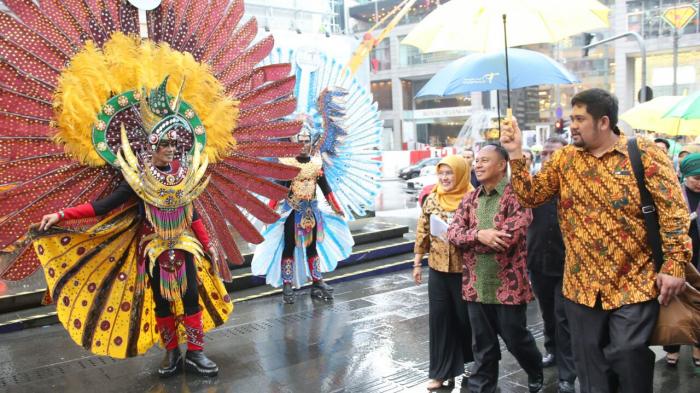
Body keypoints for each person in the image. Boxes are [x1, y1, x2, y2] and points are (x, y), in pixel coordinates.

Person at [35, 79, 232, 377]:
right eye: (165, 144)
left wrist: (209, 244)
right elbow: (103, 206)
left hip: (184, 246)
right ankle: (171, 354)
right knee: (163, 303)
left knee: (191, 296)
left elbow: (192, 215)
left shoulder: (184, 173)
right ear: (152, 144)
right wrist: (61, 214)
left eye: (174, 144)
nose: (170, 149)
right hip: (152, 250)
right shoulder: (137, 177)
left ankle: (195, 353)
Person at [500, 88, 690, 393]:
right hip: (581, 287)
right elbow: (530, 196)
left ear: (603, 122)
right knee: (590, 373)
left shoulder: (645, 154)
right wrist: (514, 153)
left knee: (628, 356)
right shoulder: (564, 159)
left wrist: (674, 265)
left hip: (635, 282)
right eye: (571, 118)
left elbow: (674, 213)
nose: (571, 125)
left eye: (579, 118)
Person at [447, 144, 543, 393]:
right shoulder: (470, 198)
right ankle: (483, 387)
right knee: (483, 345)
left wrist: (473, 240)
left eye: (484, 160)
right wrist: (480, 235)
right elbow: (453, 233)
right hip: (475, 285)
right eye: (476, 161)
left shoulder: (517, 196)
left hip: (509, 285)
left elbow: (507, 239)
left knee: (516, 339)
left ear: (502, 164)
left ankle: (535, 369)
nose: (477, 165)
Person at [251, 126, 353, 304]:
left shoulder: (316, 164)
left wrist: (338, 209)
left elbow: (326, 189)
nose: (304, 144)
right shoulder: (288, 165)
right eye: (301, 141)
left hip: (313, 214)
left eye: (307, 141)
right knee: (288, 247)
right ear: (294, 142)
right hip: (293, 213)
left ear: (311, 142)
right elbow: (278, 191)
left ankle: (317, 281)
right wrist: (269, 213)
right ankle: (288, 284)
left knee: (312, 248)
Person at [413, 155, 475, 390]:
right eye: (442, 173)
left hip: (465, 270)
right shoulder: (432, 199)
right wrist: (417, 263)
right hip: (438, 269)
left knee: (466, 319)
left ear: (460, 173)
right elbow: (423, 232)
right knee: (440, 320)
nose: (445, 178)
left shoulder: (472, 198)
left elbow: (478, 231)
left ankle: (471, 362)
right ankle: (441, 371)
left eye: (450, 173)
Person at [526, 136, 576, 393]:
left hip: (567, 263)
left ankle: (568, 373)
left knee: (563, 316)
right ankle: (551, 350)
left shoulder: (574, 183)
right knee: (547, 313)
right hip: (537, 259)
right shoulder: (534, 186)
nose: (546, 158)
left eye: (552, 153)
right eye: (544, 153)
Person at [663, 153, 700, 367]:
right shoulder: (673, 194)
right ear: (685, 175)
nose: (699, 182)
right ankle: (672, 346)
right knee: (675, 303)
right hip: (680, 258)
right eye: (696, 178)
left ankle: (698, 346)